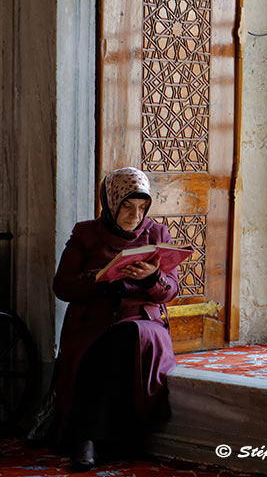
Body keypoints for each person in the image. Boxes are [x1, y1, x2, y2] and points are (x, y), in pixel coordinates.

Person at [52, 167, 178, 470]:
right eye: (126, 206)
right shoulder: (86, 233)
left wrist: (151, 278)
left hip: (142, 321)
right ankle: (103, 440)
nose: (135, 216)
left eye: (141, 208)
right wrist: (99, 278)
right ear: (110, 202)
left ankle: (88, 440)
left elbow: (170, 291)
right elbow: (62, 286)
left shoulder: (157, 233)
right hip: (94, 320)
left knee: (127, 335)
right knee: (107, 343)